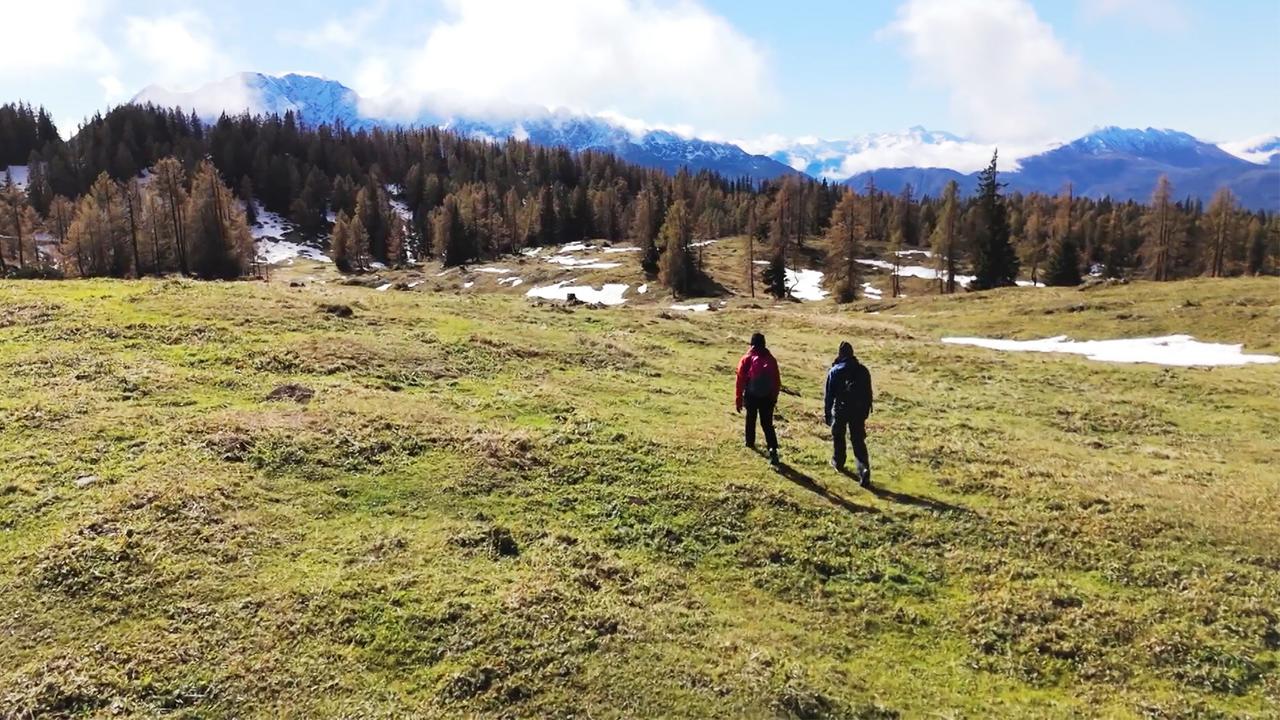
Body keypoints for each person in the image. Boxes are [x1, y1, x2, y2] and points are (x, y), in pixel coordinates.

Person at [824, 341, 873, 486]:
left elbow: (829, 395)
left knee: (838, 435)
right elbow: (868, 393)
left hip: (841, 409)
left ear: (840, 354)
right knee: (858, 440)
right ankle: (863, 469)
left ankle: (838, 461)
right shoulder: (863, 370)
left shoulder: (835, 370)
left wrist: (828, 413)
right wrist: (866, 411)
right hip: (858, 410)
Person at [735, 332, 781, 465]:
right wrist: (774, 397)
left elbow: (740, 380)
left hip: (751, 395)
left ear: (751, 344)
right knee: (767, 424)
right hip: (767, 397)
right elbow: (777, 381)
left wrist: (739, 398)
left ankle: (750, 442)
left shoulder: (747, 358)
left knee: (751, 418)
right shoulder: (771, 359)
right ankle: (772, 448)